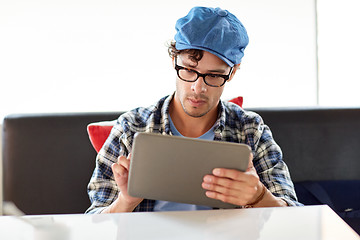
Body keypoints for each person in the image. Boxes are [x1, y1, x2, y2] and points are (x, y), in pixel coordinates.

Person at [86, 6, 301, 214]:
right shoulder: (130, 128)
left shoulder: (251, 130)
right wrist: (126, 201)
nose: (198, 88)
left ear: (232, 72)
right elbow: (93, 223)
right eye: (189, 70)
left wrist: (259, 196)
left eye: (214, 75)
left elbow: (296, 217)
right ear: (174, 60)